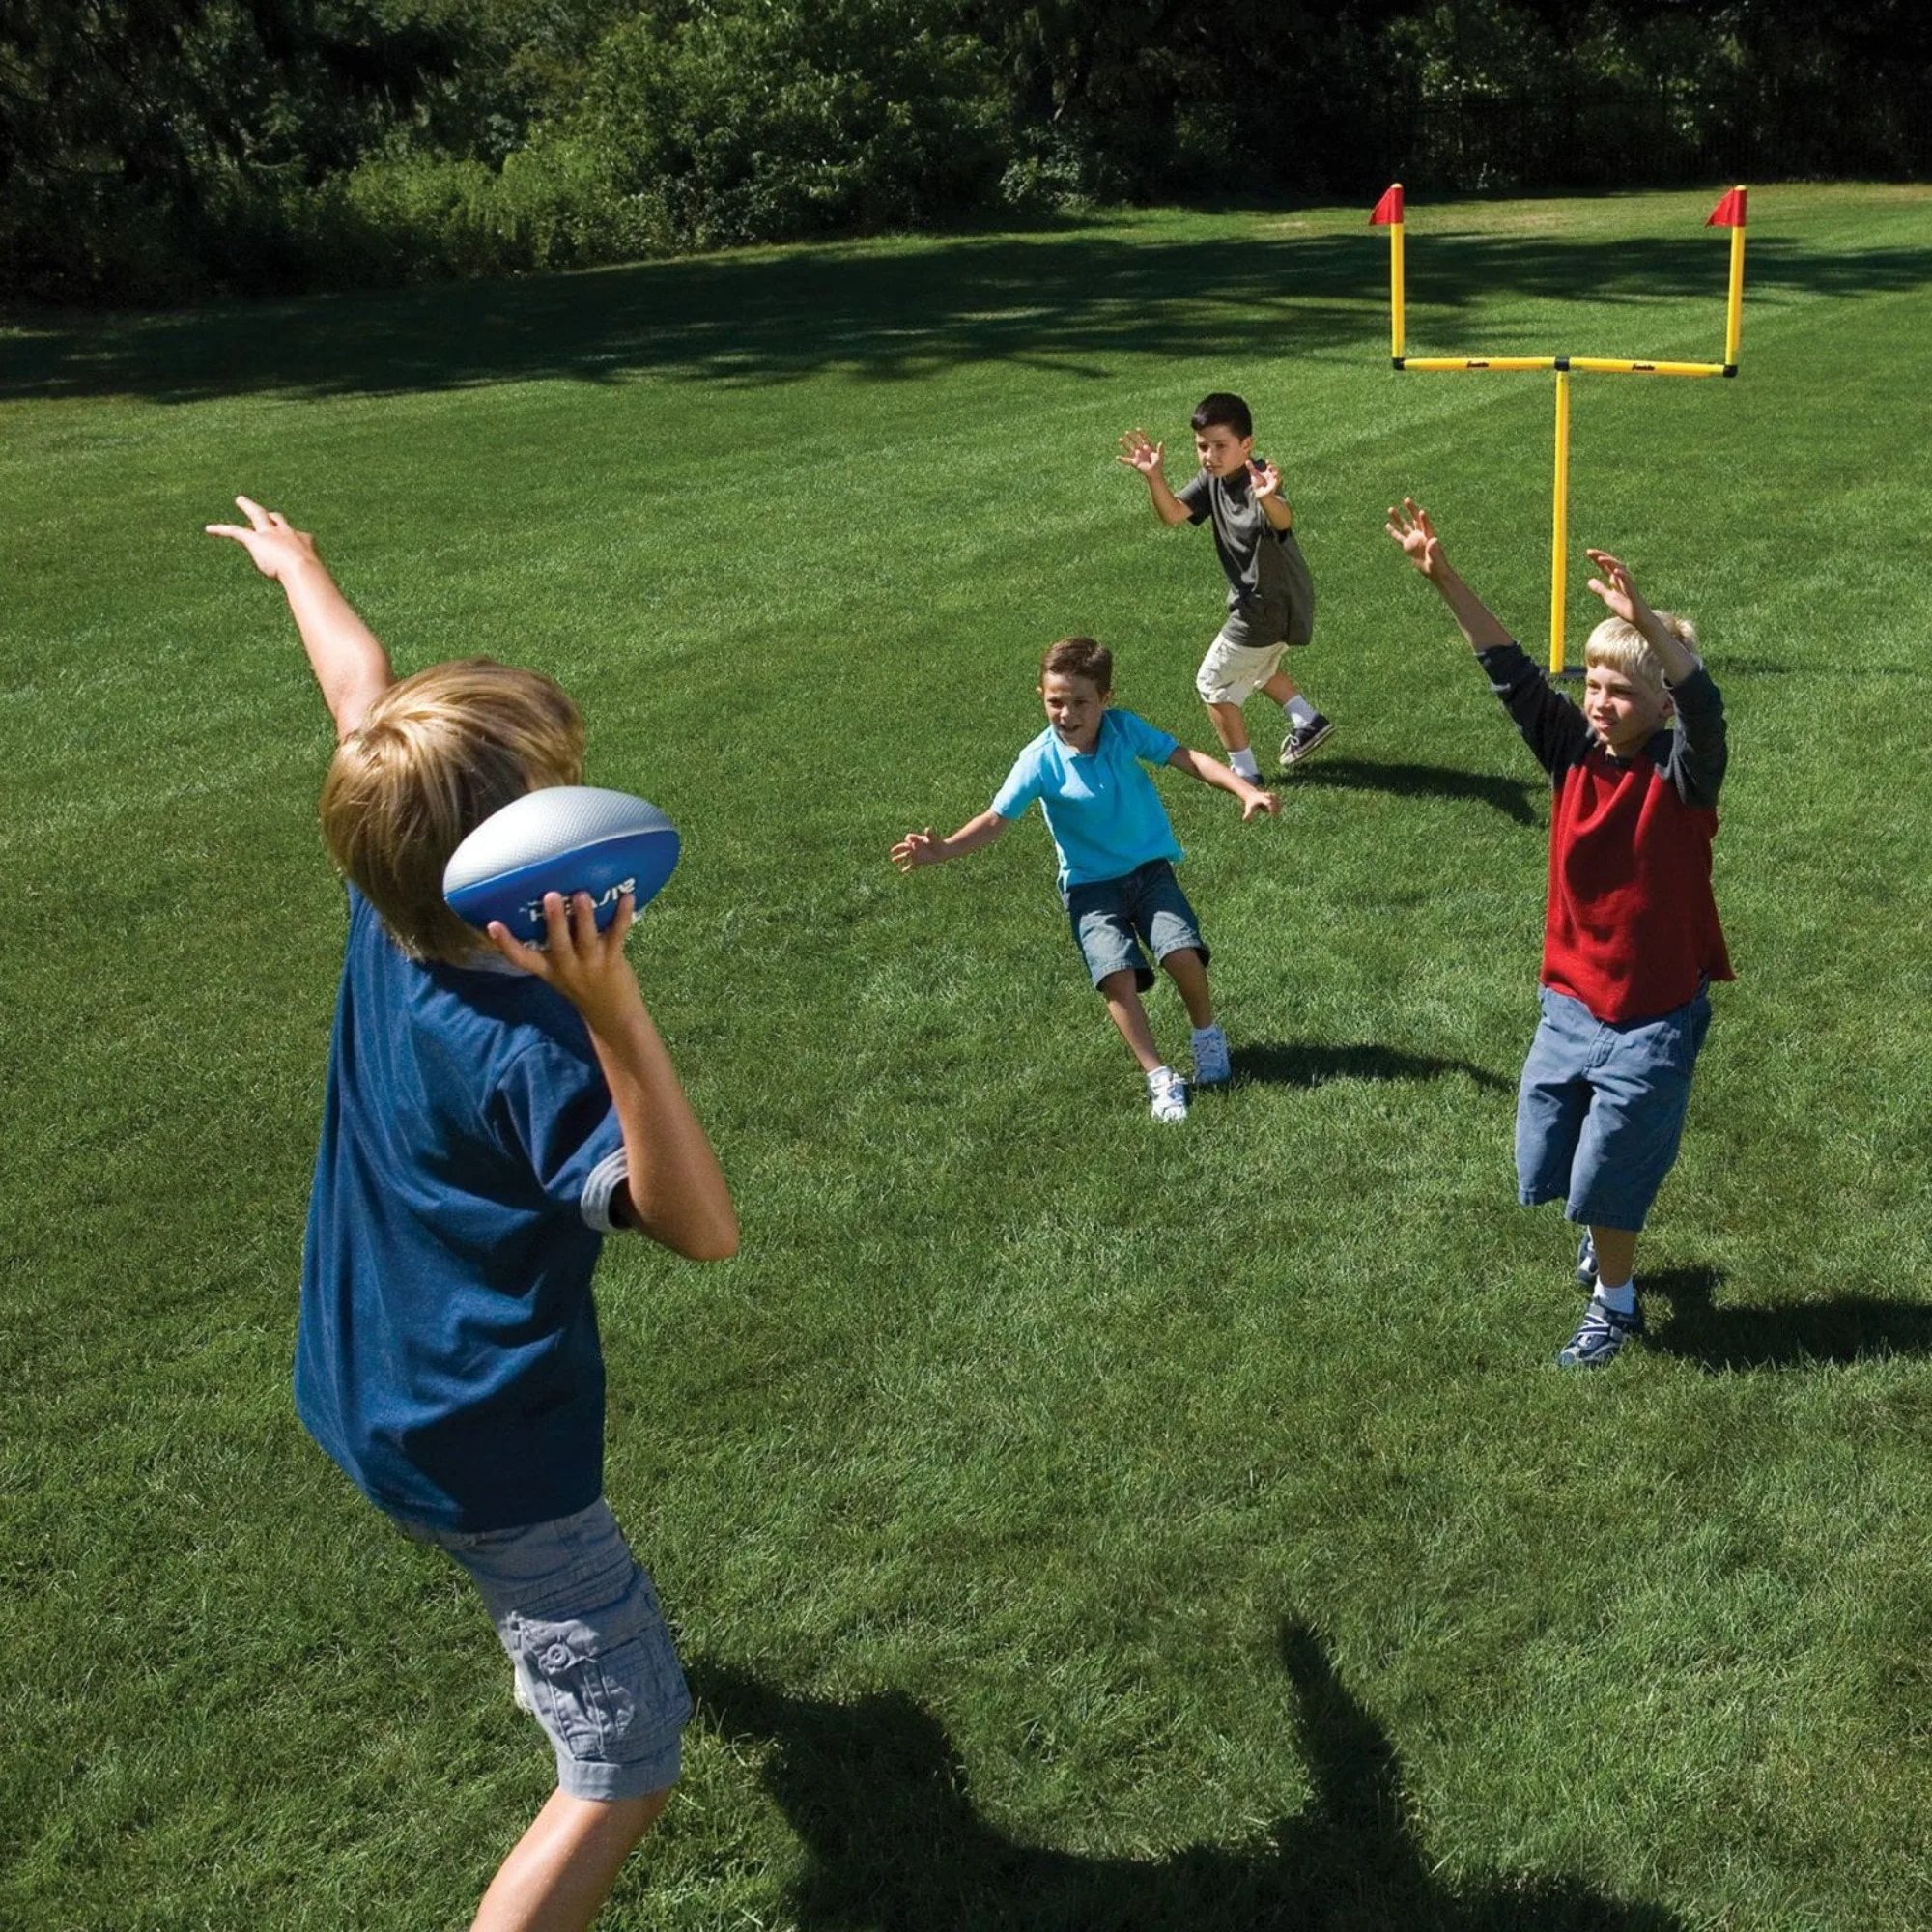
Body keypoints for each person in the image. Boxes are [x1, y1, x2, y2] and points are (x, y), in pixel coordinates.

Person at [208, 496, 738, 1930]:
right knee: (624, 1759)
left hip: (360, 1380)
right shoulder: (534, 1045)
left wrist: (299, 563)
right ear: (527, 869)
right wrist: (616, 1014)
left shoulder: (384, 898)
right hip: (492, 1446)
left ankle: (532, 1628)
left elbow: (356, 695)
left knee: (531, 1608)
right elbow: (698, 1224)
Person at [1383, 498, 1731, 1368]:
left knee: (1606, 1176)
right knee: (1546, 1158)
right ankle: (1601, 1232)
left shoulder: (1684, 774)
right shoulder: (1573, 750)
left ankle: (1616, 1303)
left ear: (1661, 702)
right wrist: (1444, 576)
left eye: (1622, 689)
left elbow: (1707, 706)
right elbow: (1509, 671)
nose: (1600, 701)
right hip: (1572, 996)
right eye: (1593, 683)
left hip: (1653, 1010)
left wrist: (1646, 621)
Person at [892, 636, 1279, 1122]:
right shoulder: (1038, 760)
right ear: (1041, 696)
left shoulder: (1124, 730)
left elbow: (1187, 758)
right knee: (1115, 976)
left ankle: (1206, 1036)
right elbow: (996, 818)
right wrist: (944, 848)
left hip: (1148, 871)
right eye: (1055, 701)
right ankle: (1160, 1077)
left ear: (1105, 700)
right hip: (1090, 890)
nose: (1066, 714)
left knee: (1181, 951)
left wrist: (1244, 788)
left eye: (1080, 702)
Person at [1118, 391, 1331, 779]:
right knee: (1255, 666)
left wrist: (1268, 498)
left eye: (1220, 446)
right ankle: (1308, 719)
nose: (1209, 455)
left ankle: (1245, 775)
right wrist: (1155, 477)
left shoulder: (1259, 478)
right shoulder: (1213, 478)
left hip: (1267, 605)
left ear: (1246, 445)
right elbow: (1173, 514)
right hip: (1269, 601)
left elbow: (1282, 522)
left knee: (1213, 682)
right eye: (1202, 446)